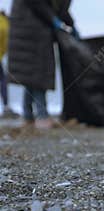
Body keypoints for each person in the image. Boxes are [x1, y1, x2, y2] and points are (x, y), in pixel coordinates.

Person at [8, 0, 78, 129]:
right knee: (37, 70)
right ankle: (42, 116)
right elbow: (38, 3)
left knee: (31, 72)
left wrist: (71, 25)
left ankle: (28, 116)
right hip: (28, 27)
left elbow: (59, 8)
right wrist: (53, 20)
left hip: (38, 26)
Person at [0, 11, 18, 118]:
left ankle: (6, 107)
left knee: (3, 80)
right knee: (3, 80)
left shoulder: (3, 23)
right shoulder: (5, 25)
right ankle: (6, 107)